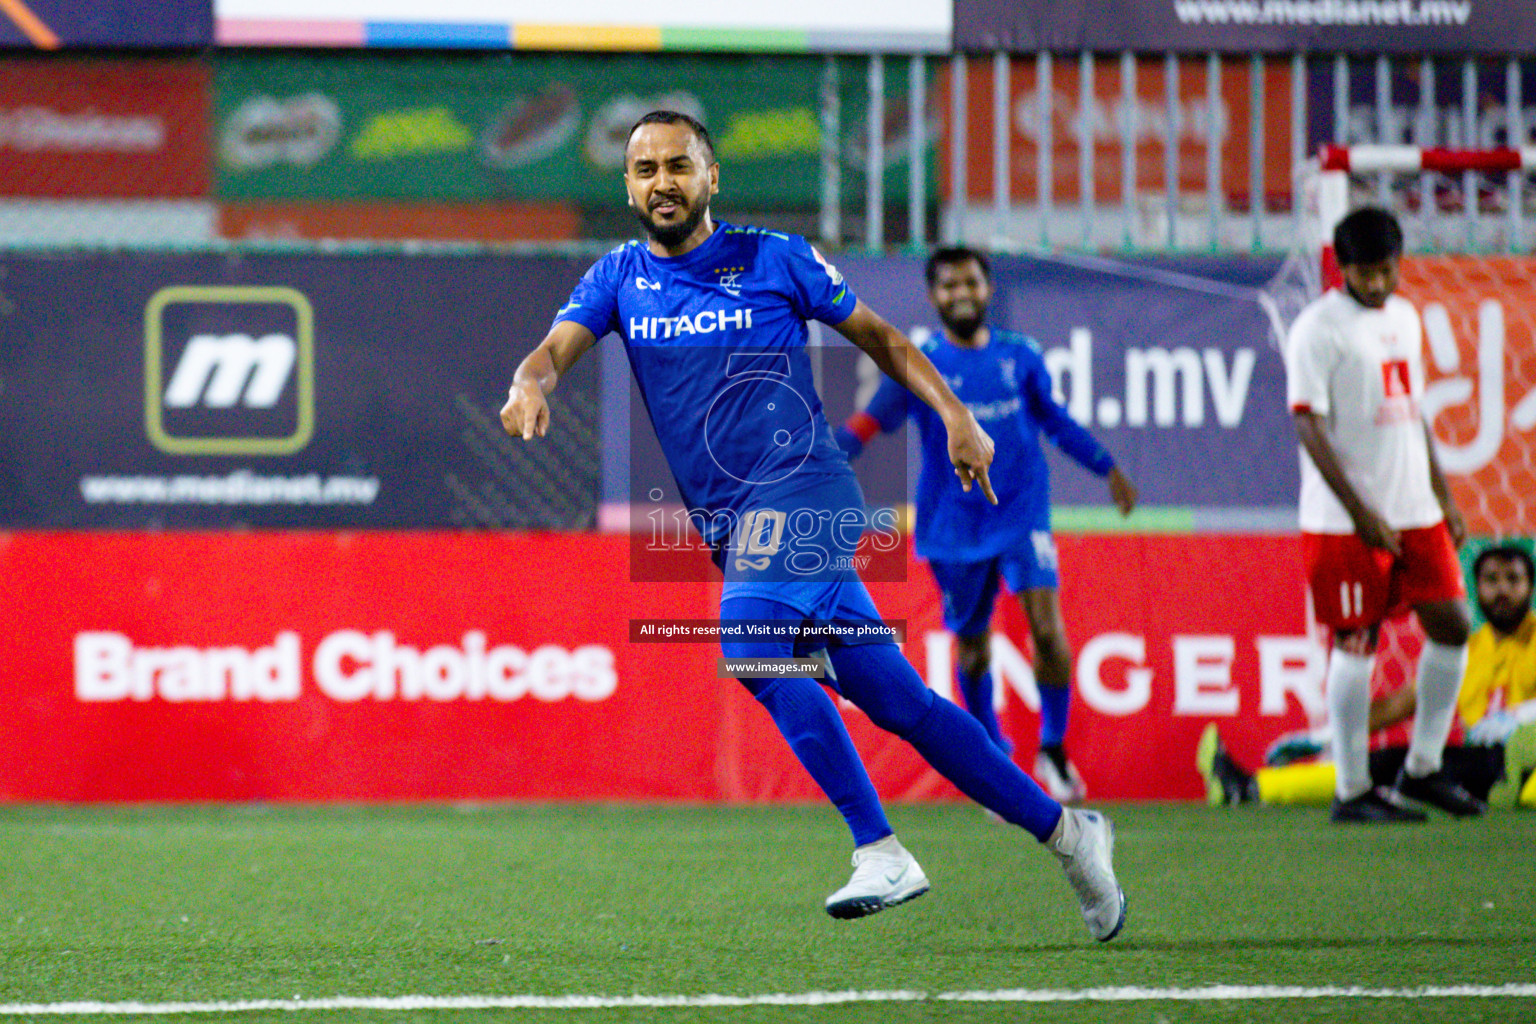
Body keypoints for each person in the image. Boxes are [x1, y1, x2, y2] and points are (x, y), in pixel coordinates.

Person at [499, 110, 1125, 940]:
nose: (662, 183)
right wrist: (530, 382)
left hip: (807, 488)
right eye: (645, 170)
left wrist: (953, 414)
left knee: (751, 645)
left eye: (678, 165)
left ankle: (881, 848)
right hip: (732, 526)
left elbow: (884, 340)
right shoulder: (618, 278)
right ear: (628, 185)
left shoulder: (774, 258)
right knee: (904, 705)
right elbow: (550, 351)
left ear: (711, 175)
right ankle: (1071, 835)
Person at [835, 246, 1136, 803]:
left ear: (987, 288)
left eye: (970, 282)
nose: (961, 294)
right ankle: (993, 759)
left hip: (1021, 513)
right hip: (953, 528)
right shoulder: (918, 363)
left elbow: (1056, 421)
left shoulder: (1021, 357)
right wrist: (816, 463)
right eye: (948, 286)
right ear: (933, 296)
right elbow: (867, 423)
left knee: (1047, 630)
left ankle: (1054, 748)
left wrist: (1106, 467)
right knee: (973, 649)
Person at [1284, 207, 1495, 821]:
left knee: (1454, 624)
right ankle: (1351, 789)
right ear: (1343, 269)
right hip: (1344, 520)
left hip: (1415, 508)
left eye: (1385, 271)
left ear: (1398, 265)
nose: (1375, 284)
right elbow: (1308, 423)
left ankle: (1424, 767)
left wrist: (1444, 494)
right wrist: (1360, 511)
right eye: (1363, 273)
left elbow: (1414, 408)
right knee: (1357, 642)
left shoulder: (1403, 318)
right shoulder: (1317, 329)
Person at [1198, 544, 1536, 811]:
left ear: (1531, 587)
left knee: (1422, 767)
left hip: (1522, 756)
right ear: (1476, 587)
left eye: (1513, 579)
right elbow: (1397, 706)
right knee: (1391, 762)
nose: (1502, 589)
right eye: (1492, 580)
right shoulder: (1463, 649)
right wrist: (1326, 737)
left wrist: (1522, 716)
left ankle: (1519, 779)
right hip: (1481, 761)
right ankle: (1249, 787)